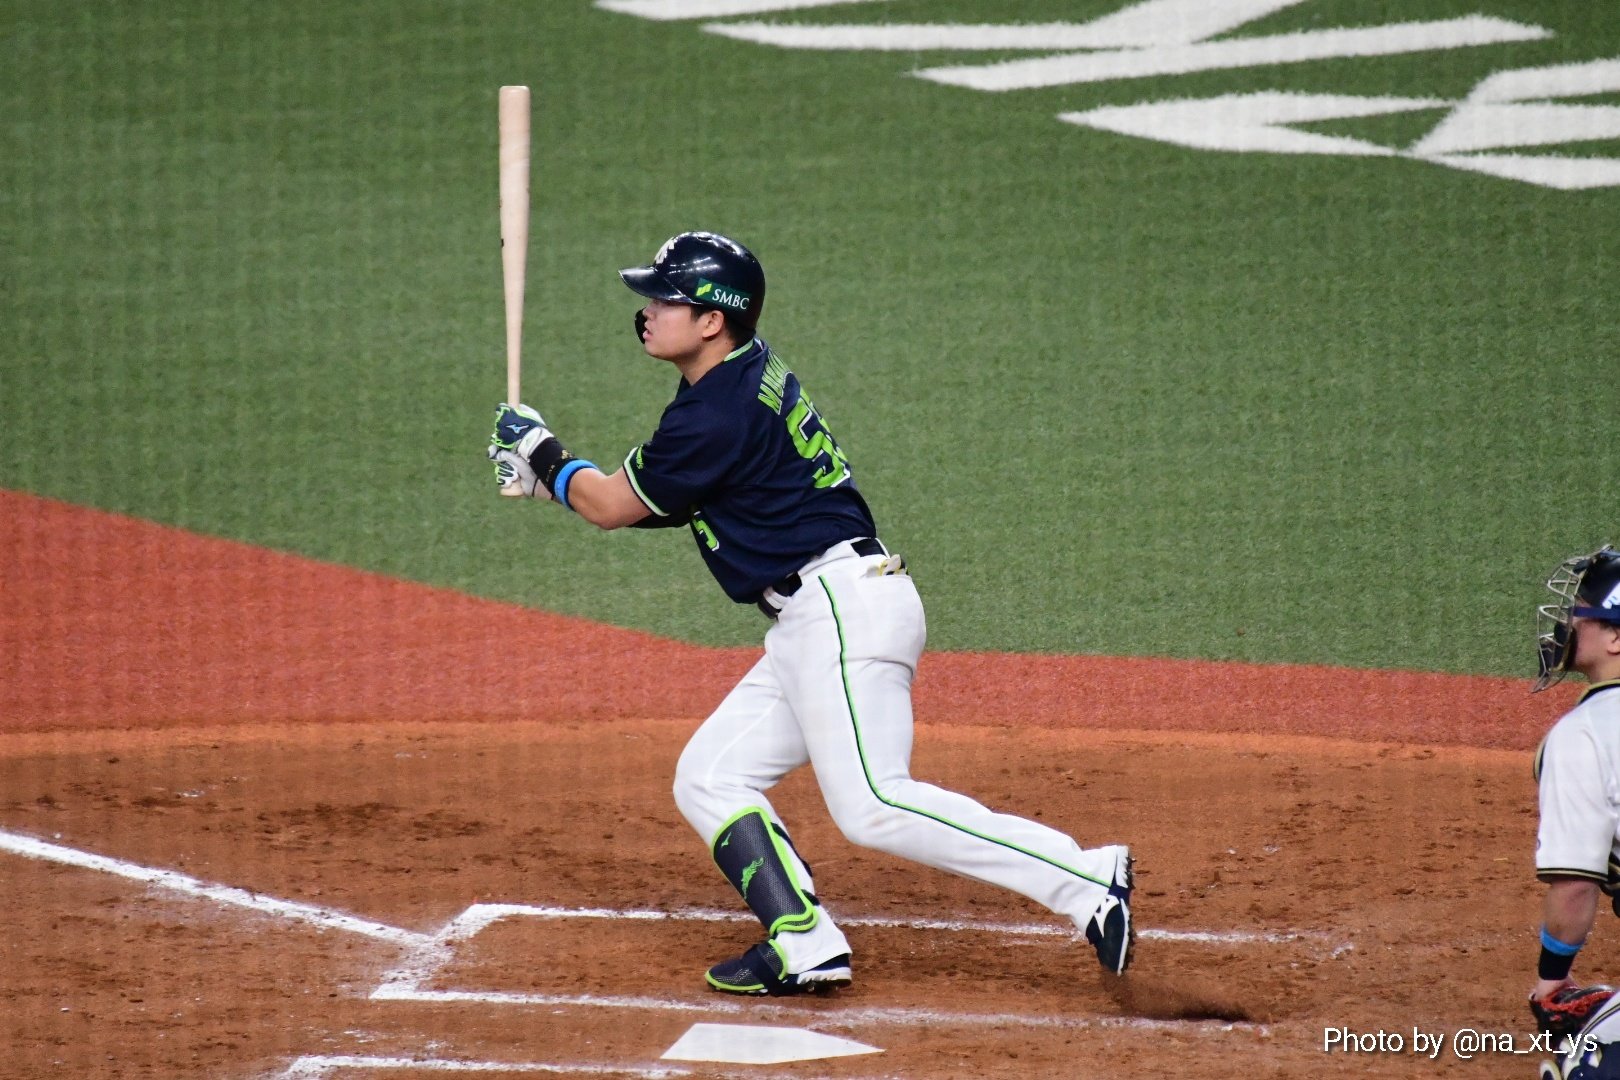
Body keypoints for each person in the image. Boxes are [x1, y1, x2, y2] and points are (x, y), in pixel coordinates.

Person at [486, 230, 1133, 996]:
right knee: (711, 777)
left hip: (841, 610)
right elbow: (667, 499)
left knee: (874, 804)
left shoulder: (715, 412)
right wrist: (552, 481)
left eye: (667, 299)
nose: (648, 310)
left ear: (712, 320)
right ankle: (804, 941)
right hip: (824, 612)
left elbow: (611, 505)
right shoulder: (738, 378)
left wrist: (545, 453)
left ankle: (1086, 878)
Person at [1528, 546, 1620, 1079]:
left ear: (1615, 638)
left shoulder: (1583, 735)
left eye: (1579, 612)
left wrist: (1551, 978)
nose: (1567, 624)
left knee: (1585, 1057)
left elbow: (1575, 886)